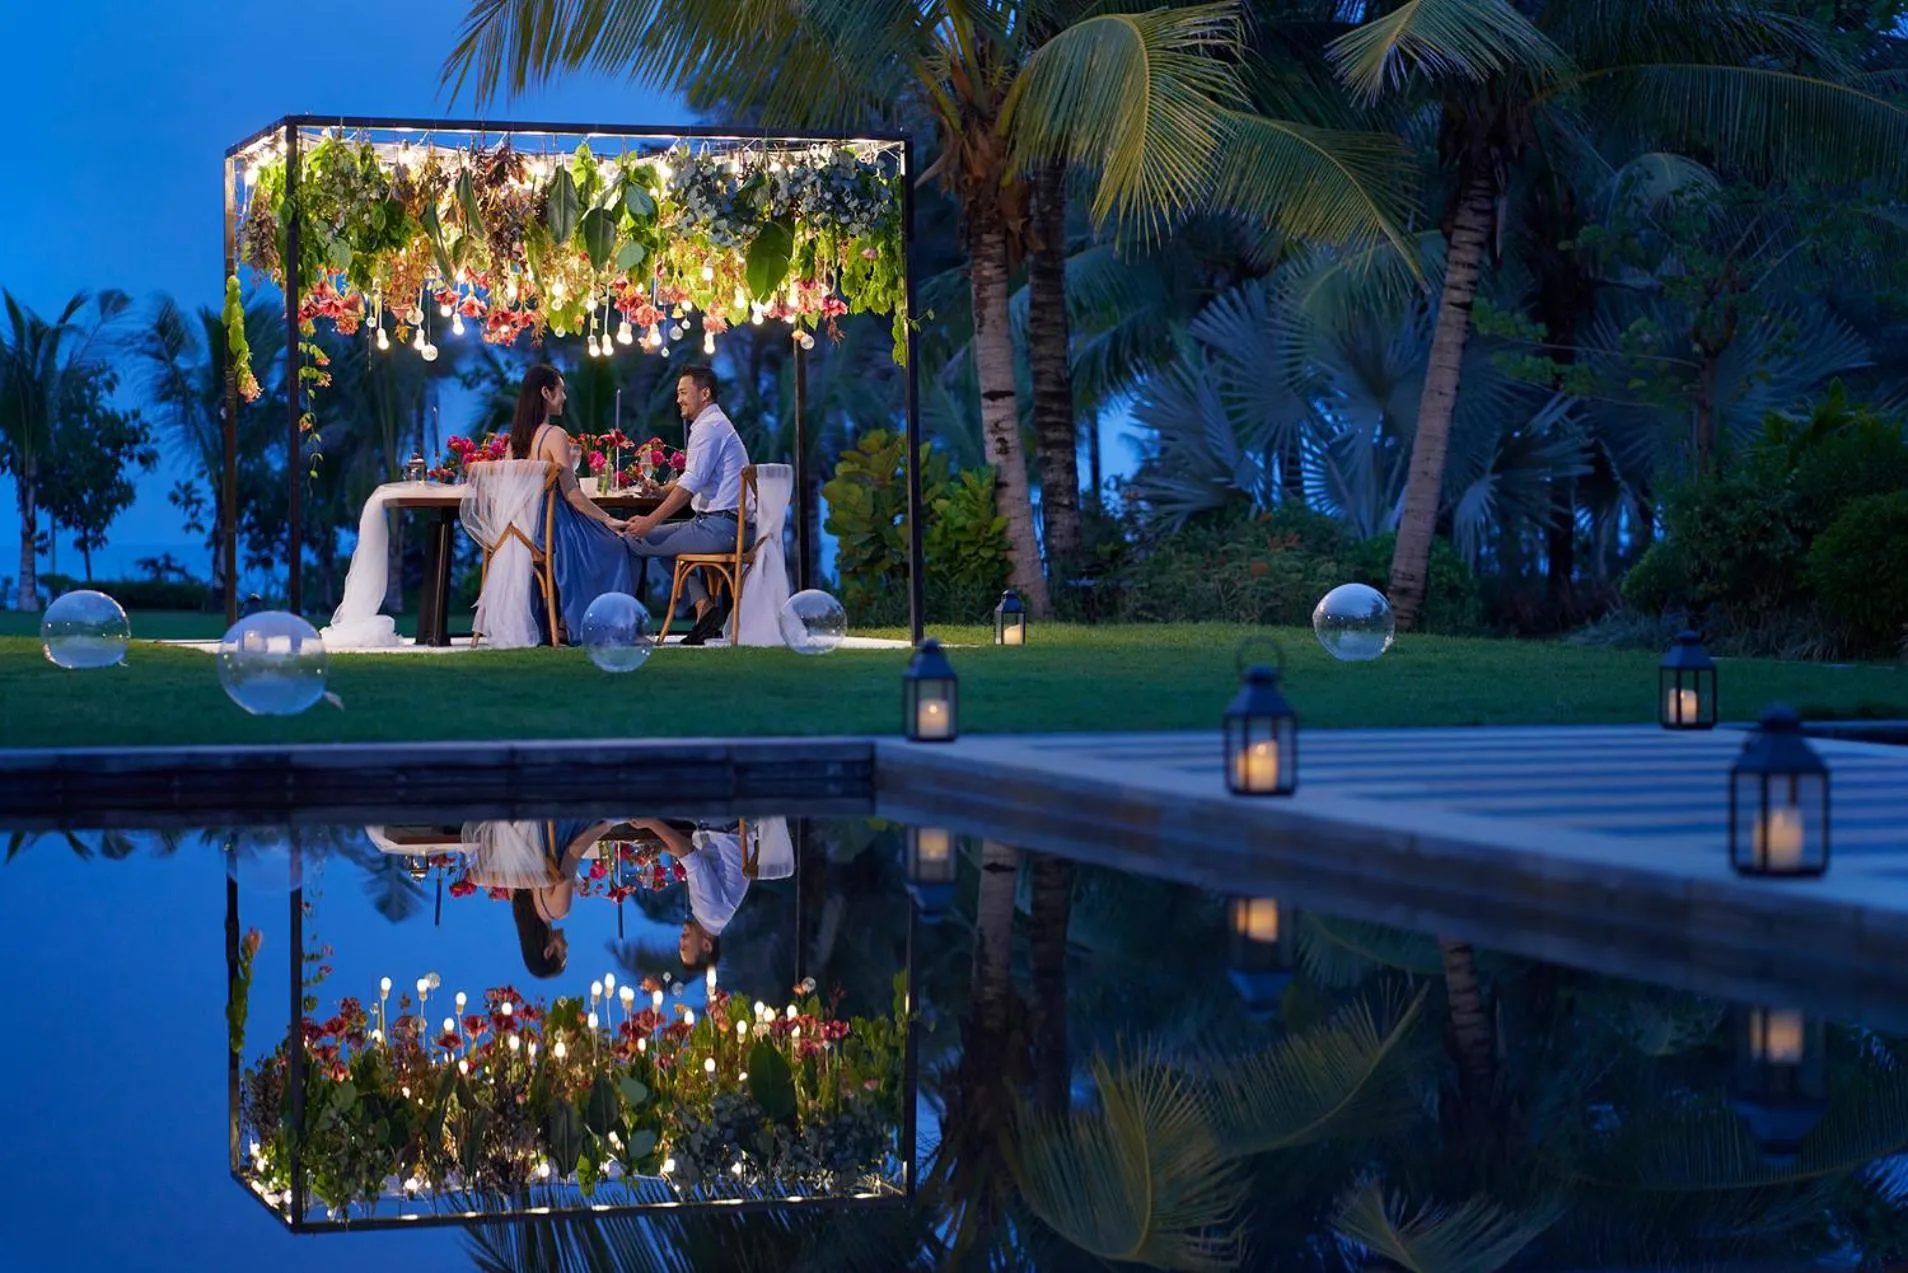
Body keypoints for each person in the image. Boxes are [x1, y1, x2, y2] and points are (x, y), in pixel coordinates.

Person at [618, 366, 753, 645]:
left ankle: (628, 626)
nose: (677, 399)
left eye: (683, 392)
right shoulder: (714, 424)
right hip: (723, 524)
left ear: (705, 394)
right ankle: (705, 608)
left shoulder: (709, 427)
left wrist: (649, 521)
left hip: (720, 527)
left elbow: (690, 485)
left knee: (633, 539)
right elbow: (696, 478)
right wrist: (659, 490)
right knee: (661, 544)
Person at [507, 365, 636, 645]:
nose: (564, 397)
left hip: (520, 528)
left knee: (602, 542)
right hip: (552, 523)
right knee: (614, 545)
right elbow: (572, 494)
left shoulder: (515, 441)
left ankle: (567, 622)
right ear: (545, 392)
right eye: (561, 391)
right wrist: (607, 519)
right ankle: (604, 626)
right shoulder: (554, 435)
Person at [463, 817, 617, 978]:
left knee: (618, 816)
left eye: (563, 954)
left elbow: (573, 851)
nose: (567, 947)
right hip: (522, 827)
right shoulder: (514, 897)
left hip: (551, 830)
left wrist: (605, 827)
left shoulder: (557, 910)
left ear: (548, 951)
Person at [628, 817, 749, 974]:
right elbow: (687, 852)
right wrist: (651, 822)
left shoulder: (713, 917)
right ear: (706, 945)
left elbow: (695, 855)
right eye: (685, 946)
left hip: (721, 826)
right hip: (723, 822)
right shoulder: (710, 913)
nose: (681, 940)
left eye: (680, 946)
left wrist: (659, 847)